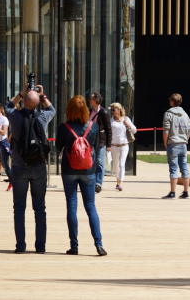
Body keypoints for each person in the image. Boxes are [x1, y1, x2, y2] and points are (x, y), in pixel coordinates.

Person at [5, 84, 56, 254]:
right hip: (38, 166)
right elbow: (52, 110)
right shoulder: (42, 117)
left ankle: (20, 245)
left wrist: (22, 92)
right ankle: (40, 246)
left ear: (24, 102)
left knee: (19, 208)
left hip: (19, 166)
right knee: (40, 208)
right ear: (37, 103)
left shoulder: (15, 117)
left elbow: (8, 106)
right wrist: (43, 96)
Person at [55, 95, 107, 256]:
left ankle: (74, 246)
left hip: (69, 170)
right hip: (88, 171)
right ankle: (99, 244)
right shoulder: (92, 126)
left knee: (72, 206)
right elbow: (94, 146)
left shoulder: (64, 127)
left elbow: (58, 148)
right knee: (91, 207)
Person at [162, 92, 190, 200]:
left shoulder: (168, 114)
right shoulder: (185, 114)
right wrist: (185, 140)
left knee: (173, 169)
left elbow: (166, 130)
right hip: (183, 144)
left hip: (173, 143)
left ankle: (172, 193)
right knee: (184, 168)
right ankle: (186, 192)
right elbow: (189, 130)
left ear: (172, 102)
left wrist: (165, 142)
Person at [107, 103, 136, 191]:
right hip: (114, 145)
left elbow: (134, 130)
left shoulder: (126, 119)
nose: (112, 111)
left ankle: (120, 182)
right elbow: (108, 134)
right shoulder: (111, 120)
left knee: (121, 164)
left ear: (119, 110)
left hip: (124, 145)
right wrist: (108, 145)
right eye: (111, 110)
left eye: (114, 110)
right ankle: (118, 180)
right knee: (116, 164)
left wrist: (128, 125)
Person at [89, 92, 112, 193]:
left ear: (95, 101)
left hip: (101, 140)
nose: (89, 100)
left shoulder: (103, 112)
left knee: (99, 161)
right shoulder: (89, 111)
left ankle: (98, 183)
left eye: (90, 99)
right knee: (92, 161)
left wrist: (109, 145)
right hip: (91, 140)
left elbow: (108, 129)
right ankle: (92, 182)